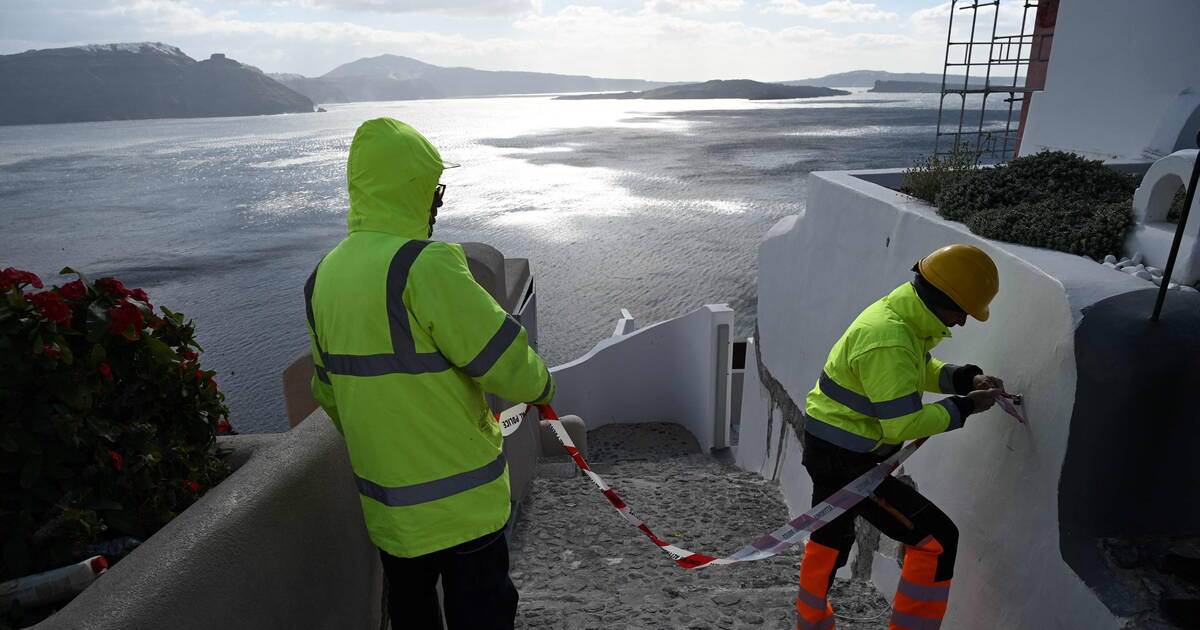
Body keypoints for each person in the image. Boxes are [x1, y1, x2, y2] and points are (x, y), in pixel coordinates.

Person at [304, 117, 554, 630]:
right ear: (413, 189)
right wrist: (543, 386)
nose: (439, 202)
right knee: (482, 613)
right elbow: (504, 361)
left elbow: (328, 394)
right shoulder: (427, 265)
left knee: (413, 615)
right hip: (462, 506)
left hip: (391, 509)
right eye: (435, 189)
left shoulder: (323, 277)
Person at [795, 244, 1004, 630]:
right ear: (944, 300)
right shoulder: (891, 338)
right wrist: (967, 407)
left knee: (831, 536)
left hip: (834, 449)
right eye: (962, 312)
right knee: (938, 540)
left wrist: (964, 378)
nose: (961, 323)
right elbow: (902, 425)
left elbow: (914, 371)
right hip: (847, 461)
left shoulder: (901, 319)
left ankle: (810, 624)